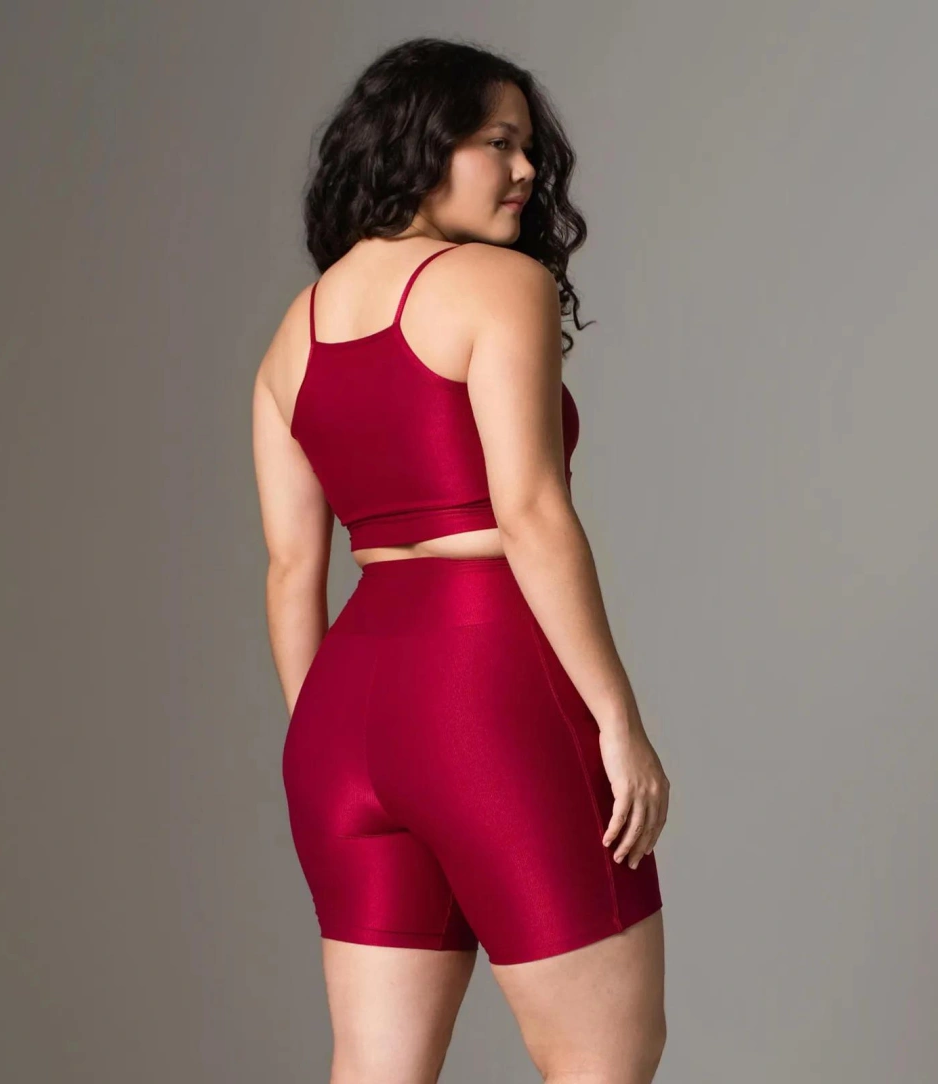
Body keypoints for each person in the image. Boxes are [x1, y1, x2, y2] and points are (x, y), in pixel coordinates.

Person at [252, 36, 670, 1084]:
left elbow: (292, 570)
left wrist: (323, 742)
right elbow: (528, 512)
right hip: (484, 684)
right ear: (421, 143)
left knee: (375, 1068)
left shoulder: (292, 335)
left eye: (528, 147)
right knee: (602, 1058)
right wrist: (617, 720)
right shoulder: (497, 284)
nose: (527, 170)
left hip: (341, 719)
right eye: (499, 142)